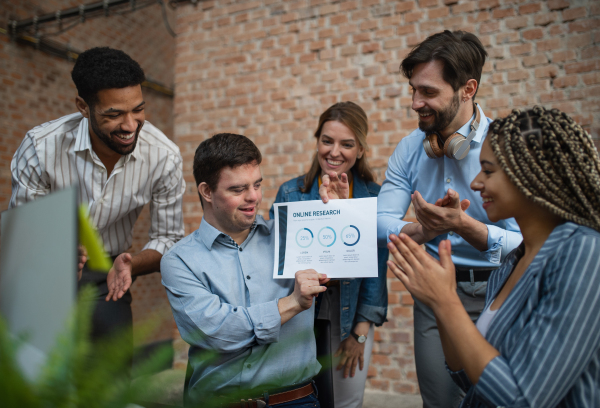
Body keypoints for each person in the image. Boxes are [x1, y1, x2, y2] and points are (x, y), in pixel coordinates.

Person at [387, 106, 600, 407]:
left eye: (488, 171)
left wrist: (447, 302)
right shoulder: (510, 262)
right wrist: (438, 298)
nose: (475, 183)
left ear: (531, 175)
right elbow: (469, 379)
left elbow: (522, 399)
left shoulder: (585, 254)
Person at [376, 30, 522, 407]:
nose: (414, 103)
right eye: (413, 90)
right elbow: (378, 222)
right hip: (435, 293)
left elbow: (524, 244)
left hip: (502, 291)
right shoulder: (409, 148)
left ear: (467, 88)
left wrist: (463, 225)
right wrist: (423, 229)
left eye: (427, 92)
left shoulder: (505, 147)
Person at [9, 47, 185, 354]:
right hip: (43, 275)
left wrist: (132, 264)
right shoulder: (40, 147)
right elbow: (23, 229)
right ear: (83, 106)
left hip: (110, 278)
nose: (131, 125)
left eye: (138, 110)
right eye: (114, 114)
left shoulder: (163, 155)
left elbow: (169, 237)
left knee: (110, 385)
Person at [161, 133, 346, 407]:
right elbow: (219, 332)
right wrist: (292, 303)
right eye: (238, 189)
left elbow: (347, 264)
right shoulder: (179, 261)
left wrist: (338, 216)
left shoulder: (291, 235)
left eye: (257, 184)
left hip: (296, 400)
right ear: (207, 191)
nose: (254, 197)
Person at [269, 101, 388, 408]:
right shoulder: (290, 194)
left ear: (360, 149)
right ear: (317, 141)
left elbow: (377, 268)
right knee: (303, 398)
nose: (334, 152)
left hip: (350, 315)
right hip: (299, 310)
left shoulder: (373, 197)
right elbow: (277, 267)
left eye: (347, 144)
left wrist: (359, 334)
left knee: (347, 400)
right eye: (327, 141)